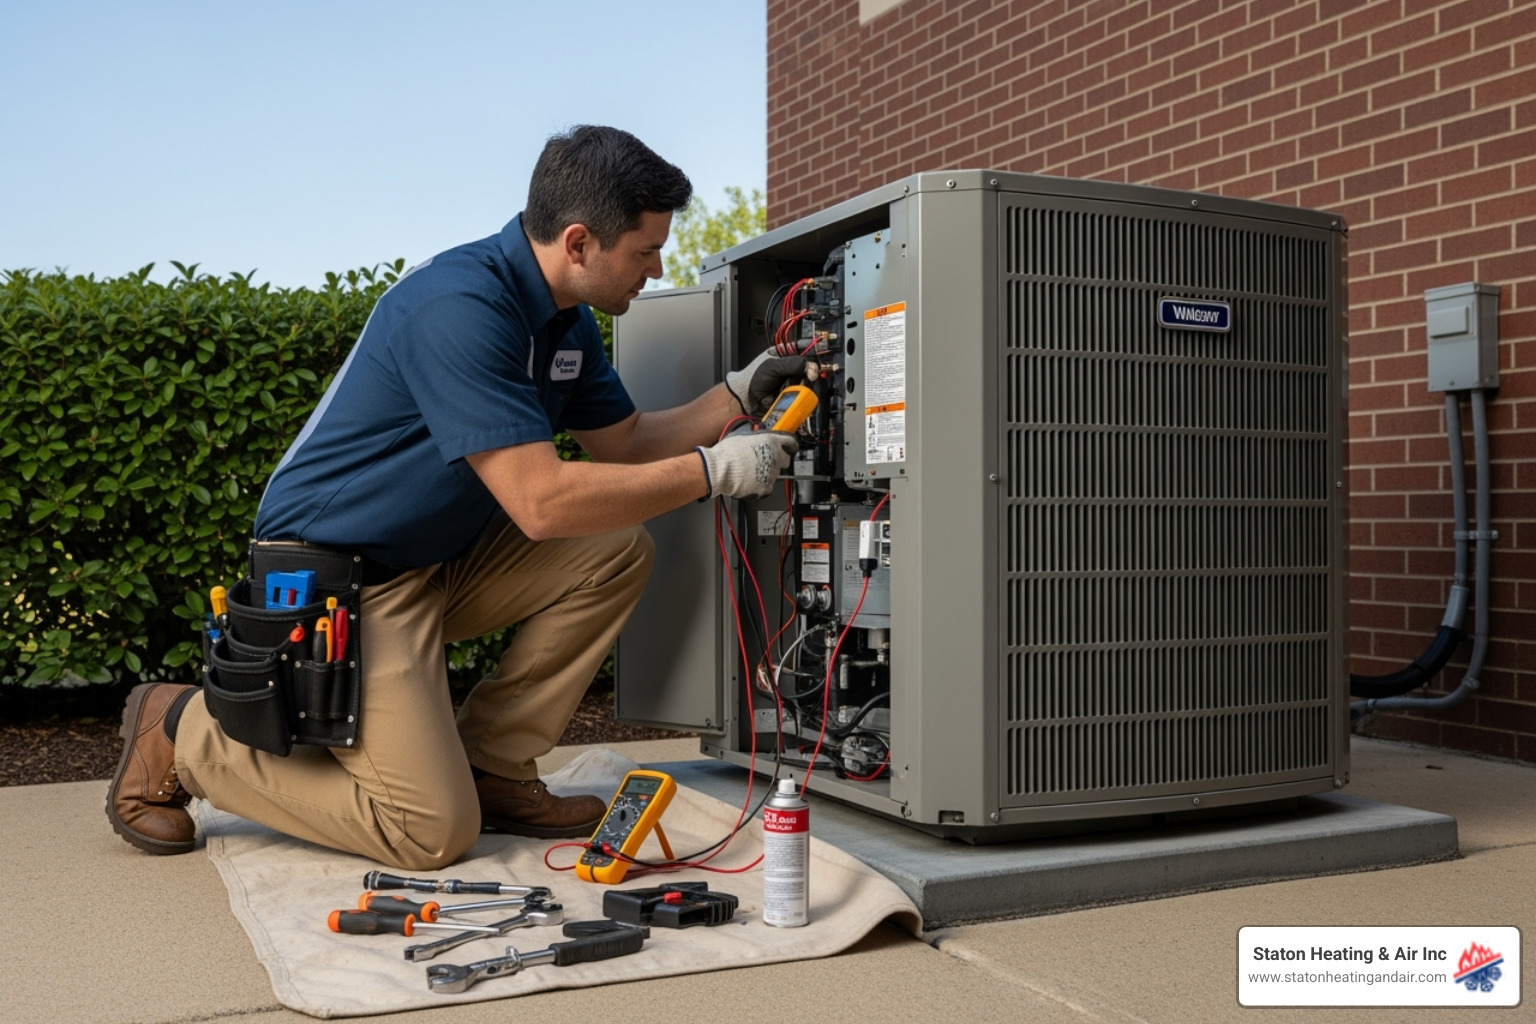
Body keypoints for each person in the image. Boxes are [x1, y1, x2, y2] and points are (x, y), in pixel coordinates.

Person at [106, 125, 802, 869]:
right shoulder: (460, 307)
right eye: (644, 251)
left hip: (437, 557)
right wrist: (714, 470)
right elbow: (540, 503)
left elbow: (624, 443)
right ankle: (180, 730)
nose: (656, 269)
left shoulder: (565, 319)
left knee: (613, 550)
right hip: (341, 582)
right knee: (428, 831)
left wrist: (732, 396)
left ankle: (493, 765)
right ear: (577, 243)